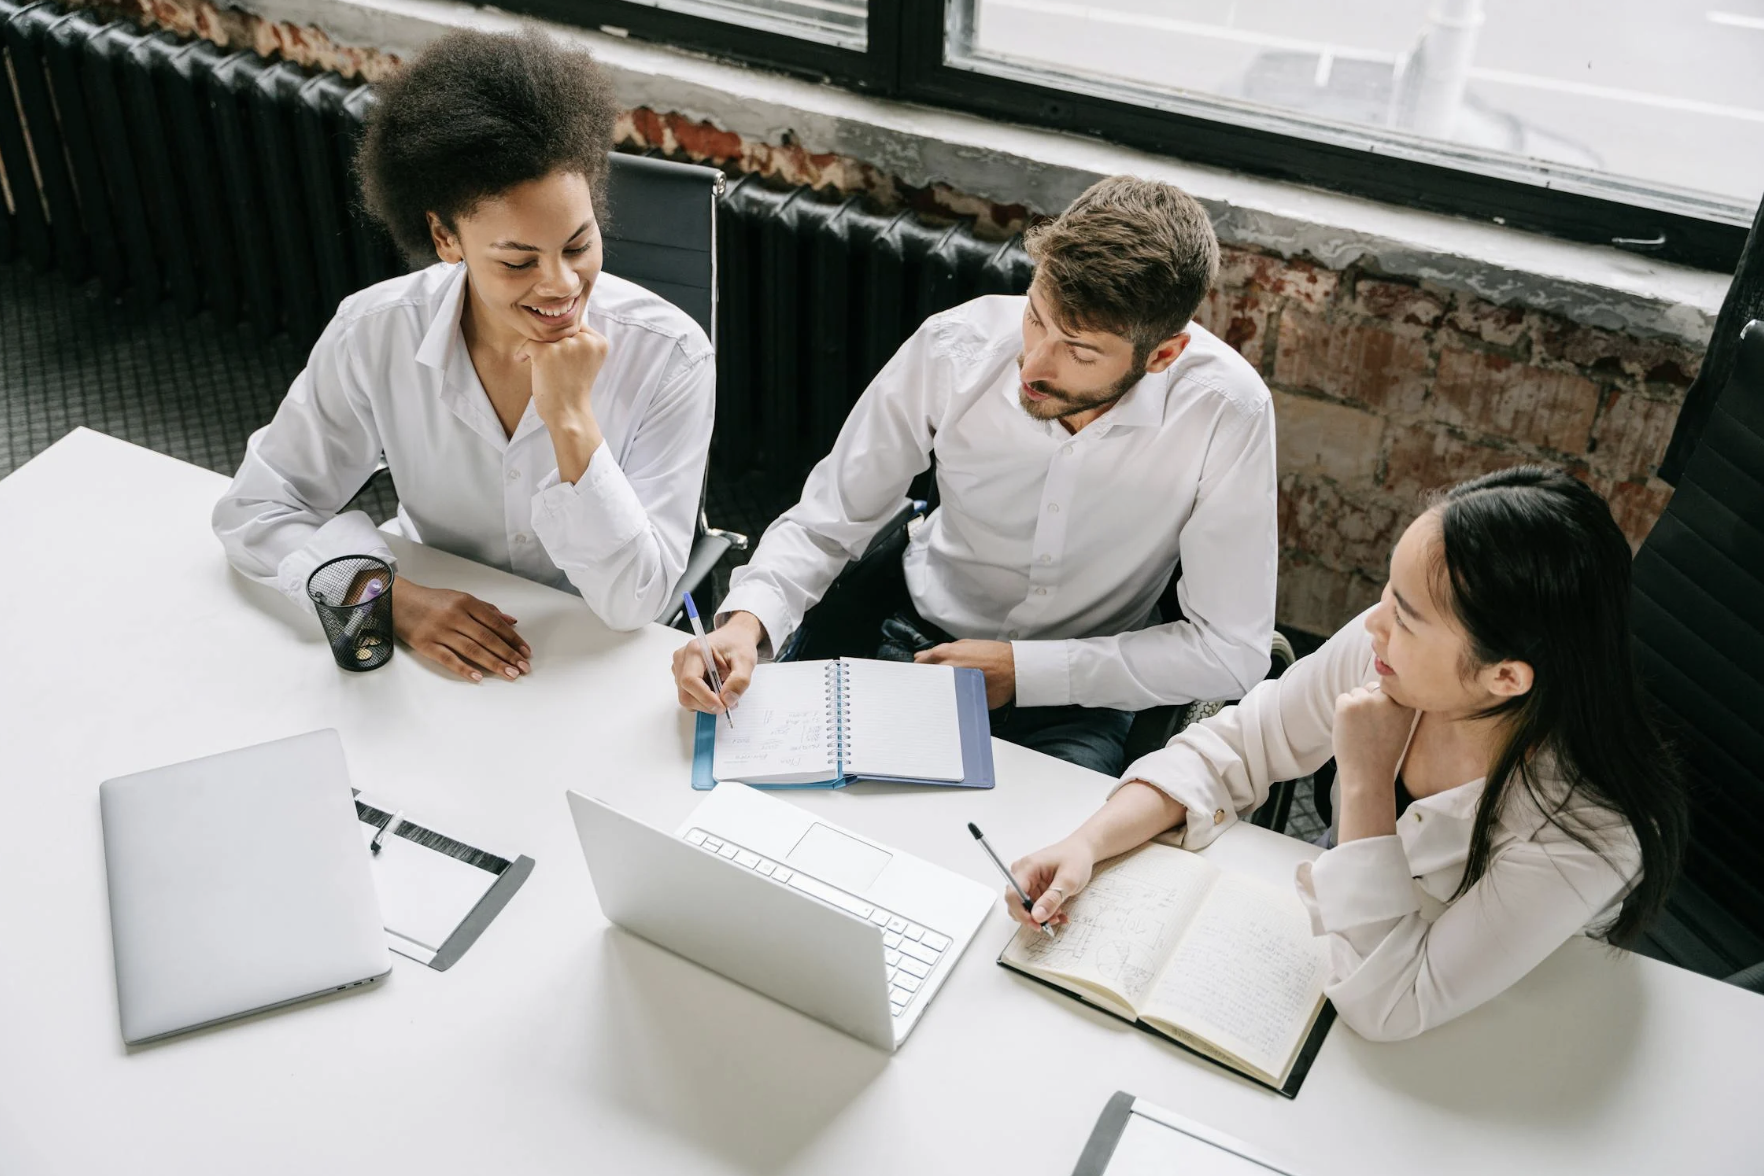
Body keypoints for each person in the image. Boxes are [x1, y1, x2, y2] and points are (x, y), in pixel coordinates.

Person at [1003, 467, 1688, 1041]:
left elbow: (1391, 1003)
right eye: (1389, 591)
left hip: (1490, 1040)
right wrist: (1088, 844)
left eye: (1407, 616)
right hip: (1323, 975)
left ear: (1504, 677)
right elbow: (1236, 746)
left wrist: (1363, 779)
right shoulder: (1386, 653)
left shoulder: (1589, 832)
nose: (1371, 623)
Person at [672, 176, 1278, 775]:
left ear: (1163, 354)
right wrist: (747, 620)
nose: (1032, 366)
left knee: (1040, 863)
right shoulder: (954, 347)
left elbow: (1232, 652)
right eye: (1036, 317)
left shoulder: (1226, 412)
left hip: (1083, 690)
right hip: (912, 639)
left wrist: (1025, 673)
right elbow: (828, 521)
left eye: (1080, 350)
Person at [213, 27, 714, 682]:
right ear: (446, 238)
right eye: (518, 260)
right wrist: (398, 603)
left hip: (587, 657)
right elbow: (259, 509)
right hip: (429, 648)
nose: (562, 285)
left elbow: (636, 601)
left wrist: (570, 422)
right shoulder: (375, 332)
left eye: (578, 243)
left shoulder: (672, 355)